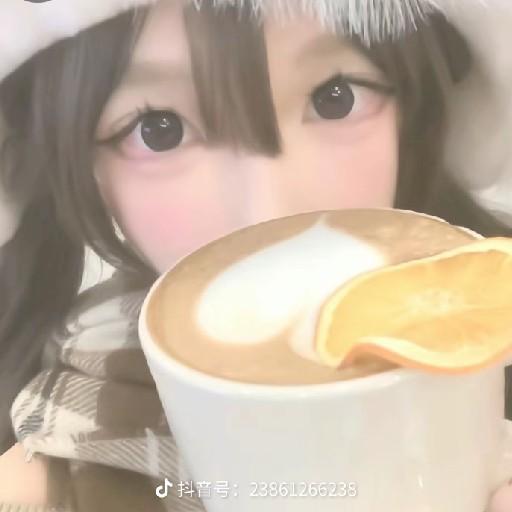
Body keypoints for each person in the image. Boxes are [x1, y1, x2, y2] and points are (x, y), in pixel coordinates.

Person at [0, 0, 512, 510]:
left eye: (335, 98)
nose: (269, 213)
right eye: (160, 128)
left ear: (412, 110)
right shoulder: (50, 479)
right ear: (84, 163)